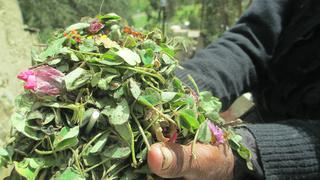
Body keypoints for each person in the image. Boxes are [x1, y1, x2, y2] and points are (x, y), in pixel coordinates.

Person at [147, 0, 320, 179]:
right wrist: (181, 87)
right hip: (258, 119)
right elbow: (251, 39)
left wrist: (245, 154)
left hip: (287, 157)